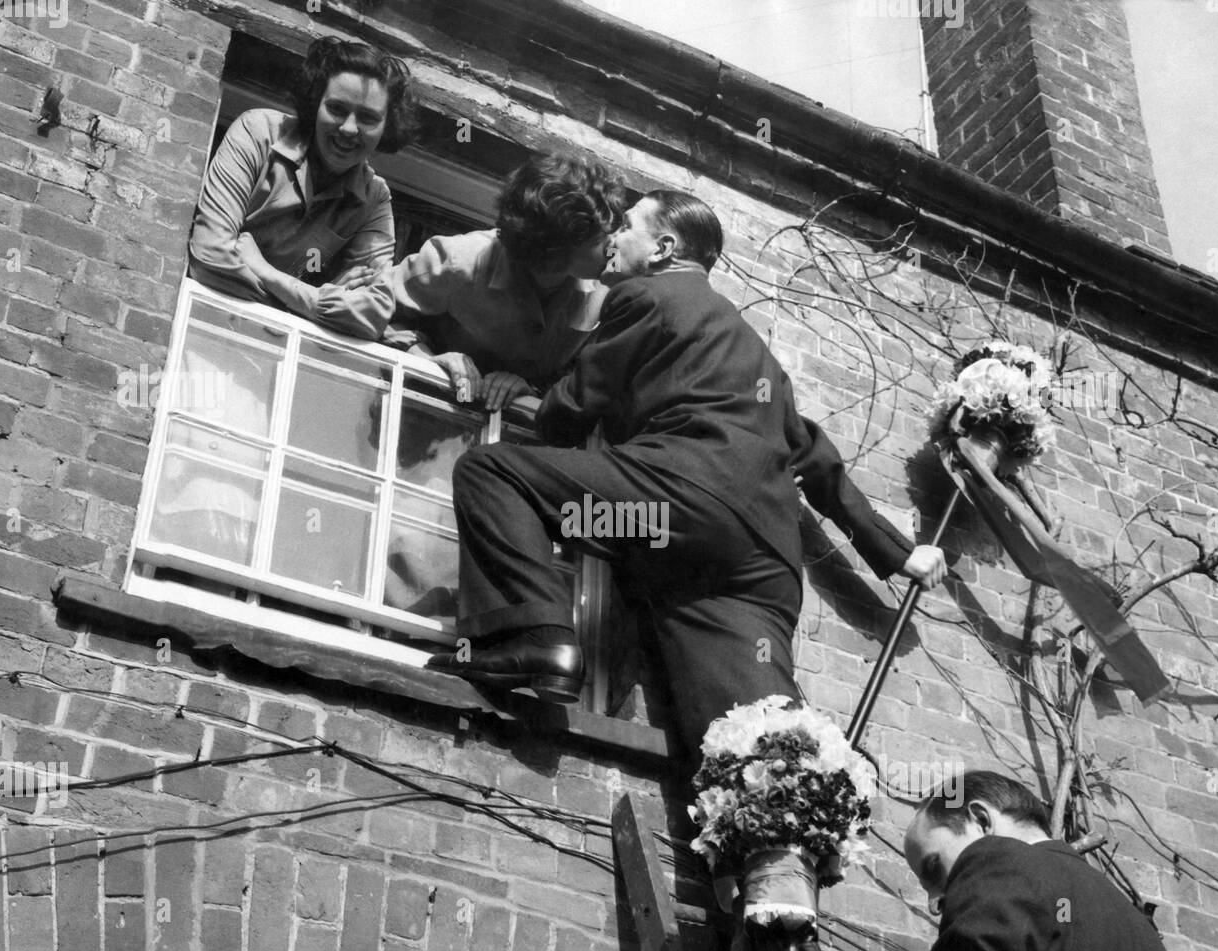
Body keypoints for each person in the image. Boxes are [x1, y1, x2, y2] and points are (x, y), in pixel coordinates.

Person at [425, 189, 946, 757]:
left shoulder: (641, 298)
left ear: (663, 248)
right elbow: (814, 456)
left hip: (664, 513)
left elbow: (569, 413)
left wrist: (530, 391)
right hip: (753, 562)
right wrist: (897, 553)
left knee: (492, 473)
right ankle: (787, 830)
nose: (611, 239)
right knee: (749, 745)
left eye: (625, 227)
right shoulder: (755, 353)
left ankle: (535, 639)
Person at [760, 771, 1182, 951]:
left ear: (981, 822)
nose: (934, 899)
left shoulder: (1004, 864)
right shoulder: (1145, 944)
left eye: (934, 866)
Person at [187, 35, 418, 338]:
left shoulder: (374, 199)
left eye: (367, 118)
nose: (349, 129)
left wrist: (267, 273)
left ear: (387, 126)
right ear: (315, 104)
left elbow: (371, 315)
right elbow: (209, 257)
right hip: (198, 329)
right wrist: (314, 305)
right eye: (336, 109)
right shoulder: (258, 134)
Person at [376, 152, 626, 410]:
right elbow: (373, 311)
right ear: (556, 250)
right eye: (601, 240)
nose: (616, 246)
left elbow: (581, 383)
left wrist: (531, 389)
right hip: (414, 406)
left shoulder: (607, 293)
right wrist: (426, 358)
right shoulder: (456, 261)